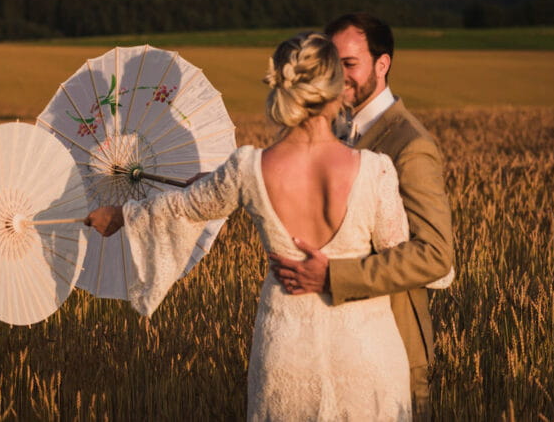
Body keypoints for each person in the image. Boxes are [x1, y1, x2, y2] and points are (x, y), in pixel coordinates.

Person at [86, 32, 450, 420]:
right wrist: (341, 273)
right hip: (369, 353)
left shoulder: (247, 169)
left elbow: (182, 208)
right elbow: (402, 254)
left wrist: (121, 214)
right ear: (336, 90)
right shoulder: (376, 170)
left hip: (289, 353)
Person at [270, 13, 455, 420]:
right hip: (331, 346)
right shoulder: (333, 131)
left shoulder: (410, 144)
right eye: (334, 65)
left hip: (394, 344)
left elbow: (436, 255)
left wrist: (334, 276)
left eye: (350, 64)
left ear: (382, 64)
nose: (340, 76)